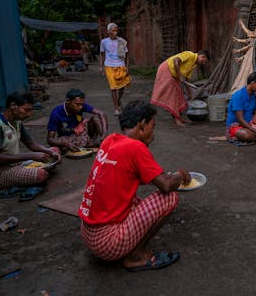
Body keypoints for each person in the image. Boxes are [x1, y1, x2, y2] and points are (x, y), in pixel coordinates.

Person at [79, 101, 191, 272]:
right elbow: (166, 186)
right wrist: (179, 176)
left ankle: (130, 248)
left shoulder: (111, 140)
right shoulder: (135, 147)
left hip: (89, 234)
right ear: (142, 126)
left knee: (134, 199)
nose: (153, 134)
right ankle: (135, 256)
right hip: (107, 243)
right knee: (169, 198)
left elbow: (132, 175)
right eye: (153, 127)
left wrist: (166, 176)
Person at [0, 92, 60, 188]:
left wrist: (50, 152)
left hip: (16, 163)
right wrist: (31, 156)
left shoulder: (17, 122)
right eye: (26, 110)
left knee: (54, 150)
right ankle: (31, 173)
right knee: (41, 175)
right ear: (13, 106)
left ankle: (28, 171)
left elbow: (31, 144)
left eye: (30, 111)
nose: (29, 114)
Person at [150, 50, 210, 127]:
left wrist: (190, 94)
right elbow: (176, 61)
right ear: (202, 56)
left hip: (174, 74)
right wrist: (179, 75)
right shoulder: (190, 55)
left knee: (179, 95)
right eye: (204, 61)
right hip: (167, 69)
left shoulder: (193, 65)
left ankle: (179, 118)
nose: (203, 63)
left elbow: (187, 80)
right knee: (173, 96)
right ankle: (176, 120)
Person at [99, 23, 131, 116]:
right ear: (108, 31)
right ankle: (116, 108)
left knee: (122, 87)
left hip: (121, 66)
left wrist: (127, 67)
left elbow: (127, 55)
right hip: (109, 66)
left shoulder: (121, 41)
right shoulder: (104, 42)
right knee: (113, 87)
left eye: (116, 30)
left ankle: (118, 101)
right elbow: (101, 54)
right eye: (113, 30)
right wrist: (101, 66)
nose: (115, 32)